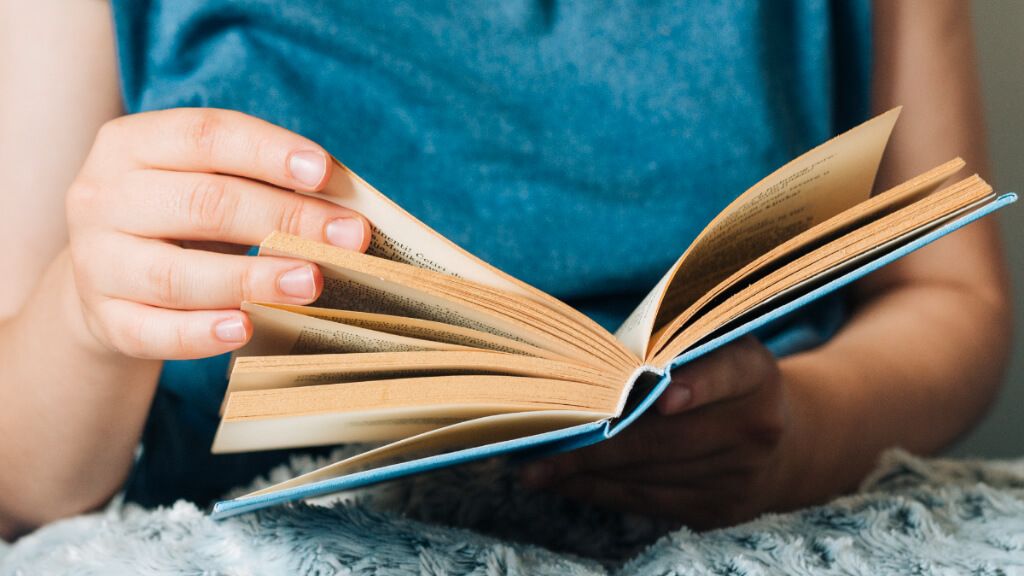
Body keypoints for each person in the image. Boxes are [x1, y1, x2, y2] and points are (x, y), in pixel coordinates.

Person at [0, 0, 1010, 539]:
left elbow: (948, 292)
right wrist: (89, 320)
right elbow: (20, 476)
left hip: (762, 507)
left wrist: (800, 431)